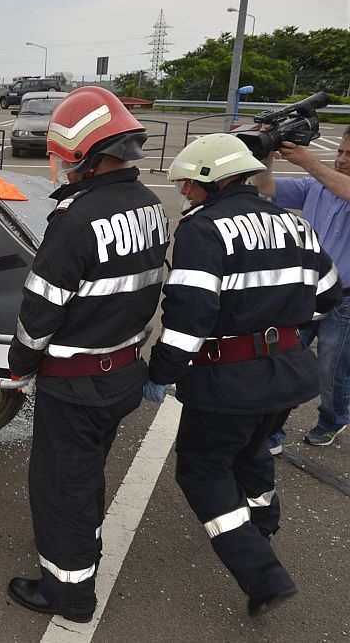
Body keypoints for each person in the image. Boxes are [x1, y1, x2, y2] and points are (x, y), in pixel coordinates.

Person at [144, 133, 340, 617]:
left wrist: (161, 372)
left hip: (227, 382)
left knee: (202, 469)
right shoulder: (293, 223)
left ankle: (262, 573)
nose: (184, 192)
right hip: (288, 374)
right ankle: (264, 519)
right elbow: (330, 293)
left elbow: (189, 316)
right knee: (253, 449)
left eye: (188, 184)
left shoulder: (202, 230)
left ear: (214, 180)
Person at [6, 86, 168, 623]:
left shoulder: (76, 218)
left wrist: (19, 365)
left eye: (66, 159)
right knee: (87, 476)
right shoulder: (149, 205)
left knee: (62, 488)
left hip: (74, 383)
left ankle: (69, 594)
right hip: (120, 372)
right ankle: (84, 554)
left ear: (87, 157)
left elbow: (41, 308)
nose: (61, 169)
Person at [253, 127, 350, 451]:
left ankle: (332, 420)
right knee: (284, 362)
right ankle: (272, 433)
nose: (341, 160)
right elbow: (265, 187)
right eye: (340, 152)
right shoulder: (315, 187)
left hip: (346, 302)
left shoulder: (325, 179)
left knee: (331, 371)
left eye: (349, 155)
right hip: (308, 294)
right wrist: (265, 153)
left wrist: (309, 161)